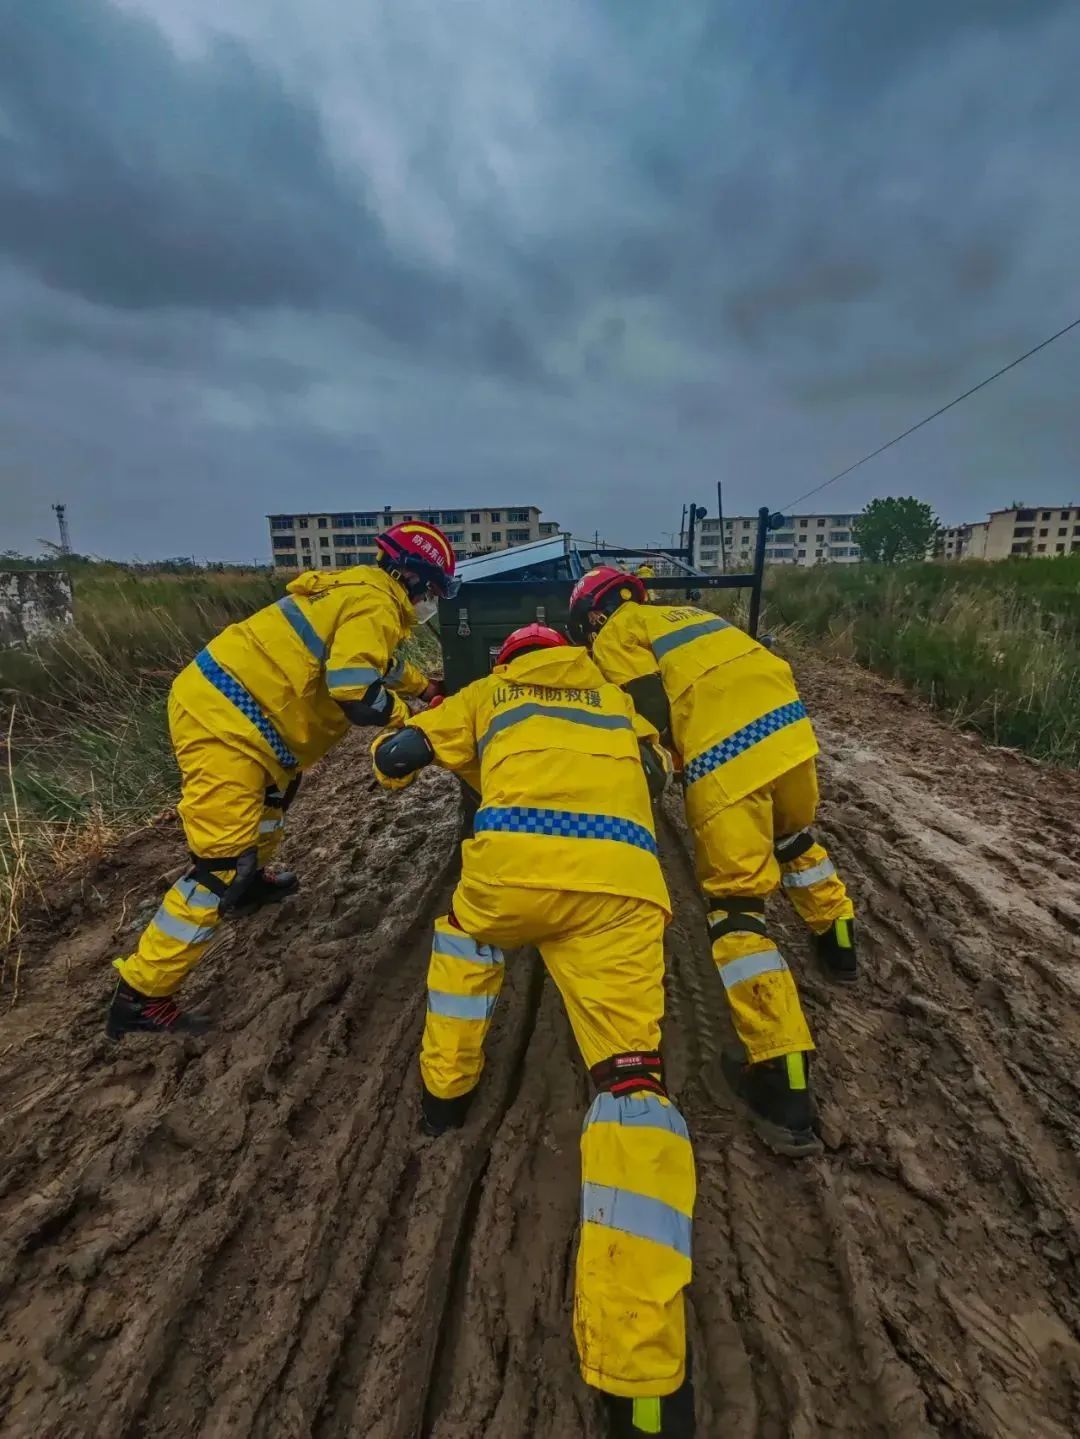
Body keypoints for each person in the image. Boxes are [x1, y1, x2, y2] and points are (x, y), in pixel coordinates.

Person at [371, 622, 696, 1439]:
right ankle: (647, 1385)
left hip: (511, 867)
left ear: (510, 659)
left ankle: (445, 1096)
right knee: (632, 1077)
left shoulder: (490, 694)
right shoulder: (616, 699)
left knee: (463, 939)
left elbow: (397, 757)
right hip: (621, 882)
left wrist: (406, 744)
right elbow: (658, 771)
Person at [105, 521, 458, 1040]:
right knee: (220, 865)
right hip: (225, 723)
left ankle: (251, 886)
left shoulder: (362, 590)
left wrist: (424, 685)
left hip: (243, 716)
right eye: (430, 589)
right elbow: (354, 690)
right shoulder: (376, 604)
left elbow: (374, 657)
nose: (430, 601)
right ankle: (142, 995)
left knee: (273, 800)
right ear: (410, 576)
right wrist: (410, 715)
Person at [568, 567, 856, 1158]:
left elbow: (650, 709)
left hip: (728, 757)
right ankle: (839, 939)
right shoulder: (695, 619)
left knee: (736, 909)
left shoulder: (619, 633)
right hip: (791, 736)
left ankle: (783, 1083)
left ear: (594, 615)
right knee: (793, 837)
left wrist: (651, 773)